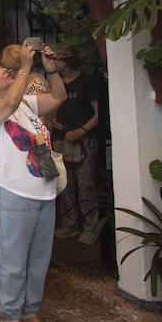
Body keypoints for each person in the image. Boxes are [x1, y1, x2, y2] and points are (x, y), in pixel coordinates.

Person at [0, 40, 67, 322]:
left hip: (44, 192)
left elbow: (58, 97)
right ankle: (10, 317)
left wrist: (50, 68)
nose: (5, 70)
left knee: (39, 260)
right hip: (12, 193)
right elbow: (9, 106)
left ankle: (30, 311)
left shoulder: (26, 102)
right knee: (13, 260)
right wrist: (26, 68)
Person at [47, 50, 105, 245]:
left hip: (83, 140)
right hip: (62, 138)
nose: (53, 63)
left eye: (57, 59)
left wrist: (81, 130)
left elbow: (99, 113)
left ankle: (90, 226)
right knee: (66, 184)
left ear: (68, 60)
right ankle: (70, 225)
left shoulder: (87, 82)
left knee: (85, 183)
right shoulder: (57, 83)